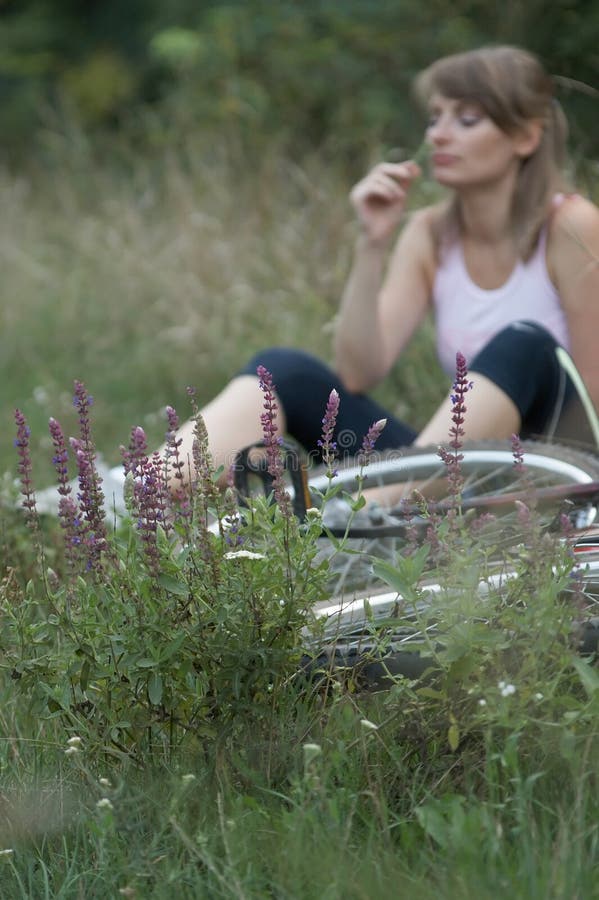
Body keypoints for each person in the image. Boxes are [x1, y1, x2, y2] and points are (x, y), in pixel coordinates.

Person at [160, 44, 599, 499]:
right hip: (448, 480)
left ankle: (352, 520)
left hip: (549, 480)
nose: (438, 136)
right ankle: (136, 500)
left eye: (466, 120)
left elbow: (591, 400)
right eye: (434, 117)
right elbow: (356, 374)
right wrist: (371, 243)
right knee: (283, 371)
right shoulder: (429, 233)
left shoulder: (571, 225)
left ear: (526, 137)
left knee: (525, 343)